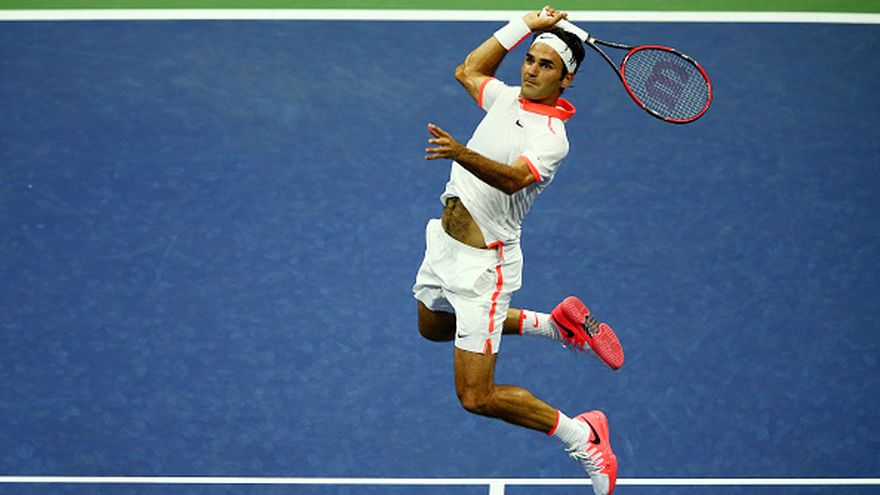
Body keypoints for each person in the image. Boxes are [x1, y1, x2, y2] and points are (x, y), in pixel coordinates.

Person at [412, 6, 625, 495]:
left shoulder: (552, 139)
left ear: (566, 80)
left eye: (546, 65)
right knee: (433, 327)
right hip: (444, 246)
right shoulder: (506, 98)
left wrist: (460, 152)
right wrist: (525, 25)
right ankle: (555, 325)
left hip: (484, 267)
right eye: (529, 59)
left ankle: (584, 435)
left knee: (477, 396)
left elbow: (511, 180)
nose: (531, 70)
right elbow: (468, 69)